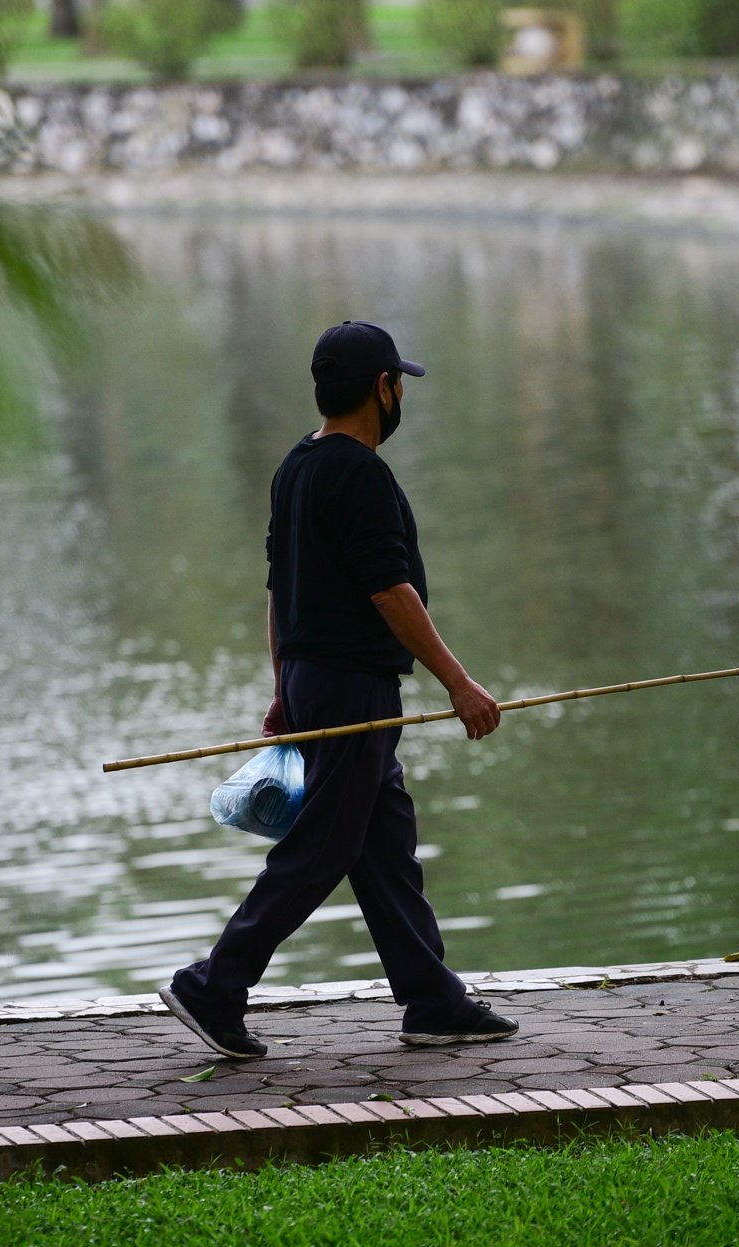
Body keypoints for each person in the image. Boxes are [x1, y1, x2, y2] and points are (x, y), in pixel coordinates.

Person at [160, 321, 520, 1059]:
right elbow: (389, 590)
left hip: (315, 677)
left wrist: (284, 684)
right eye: (398, 384)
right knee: (324, 844)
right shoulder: (358, 473)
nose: (399, 397)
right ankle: (214, 985)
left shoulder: (297, 466)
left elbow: (277, 591)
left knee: (384, 843)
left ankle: (432, 1001)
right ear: (383, 389)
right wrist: (459, 684)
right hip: (352, 686)